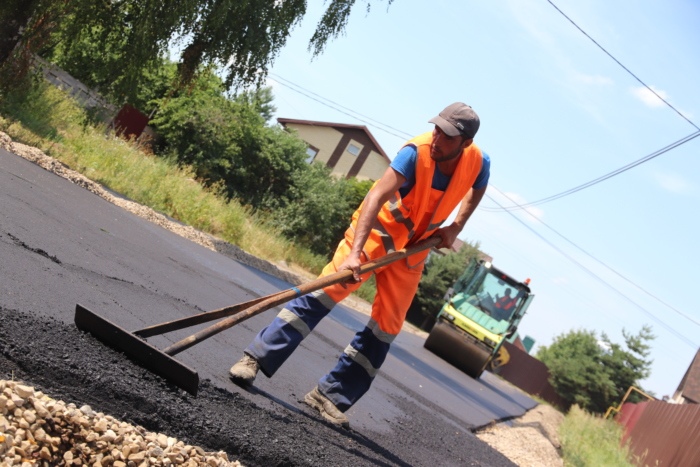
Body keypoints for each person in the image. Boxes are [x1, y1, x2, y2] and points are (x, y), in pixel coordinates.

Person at [229, 102, 491, 427]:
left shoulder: (477, 161)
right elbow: (375, 197)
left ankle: (330, 395)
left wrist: (457, 227)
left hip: (414, 250)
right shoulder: (415, 153)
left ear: (465, 143)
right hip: (376, 234)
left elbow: (478, 188)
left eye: (447, 136)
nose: (437, 138)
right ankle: (255, 357)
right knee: (324, 291)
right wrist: (354, 253)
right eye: (437, 129)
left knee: (387, 328)